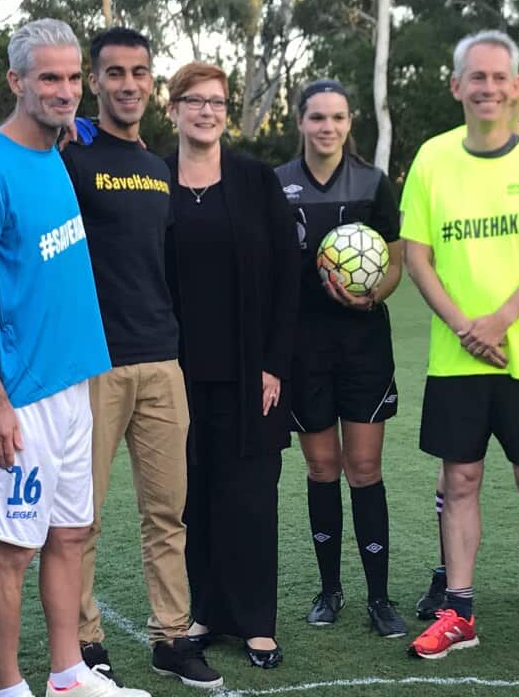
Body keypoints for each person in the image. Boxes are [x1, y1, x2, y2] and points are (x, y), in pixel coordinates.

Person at [0, 18, 147, 697]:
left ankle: (67, 673)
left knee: (71, 533)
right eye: (48, 78)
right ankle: (8, 686)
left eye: (70, 78)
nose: (64, 92)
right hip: (20, 397)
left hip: (73, 382)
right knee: (14, 552)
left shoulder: (57, 151)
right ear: (16, 81)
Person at [400, 30, 519, 671]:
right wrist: (464, 327)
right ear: (456, 86)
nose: (487, 88)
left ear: (518, 85)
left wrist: (501, 320)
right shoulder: (431, 158)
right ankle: (459, 612)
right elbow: (418, 258)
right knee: (460, 480)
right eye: (474, 77)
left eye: (498, 77)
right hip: (459, 357)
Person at [64, 28, 220, 690]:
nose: (128, 84)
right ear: (93, 83)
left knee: (167, 514)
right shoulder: (70, 154)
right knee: (83, 519)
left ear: (151, 85)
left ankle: (171, 637)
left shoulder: (159, 169)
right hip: (91, 363)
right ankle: (86, 642)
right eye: (115, 73)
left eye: (139, 73)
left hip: (162, 362)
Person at [163, 61, 300, 669]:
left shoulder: (254, 181)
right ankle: (205, 615)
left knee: (249, 497)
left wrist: (274, 362)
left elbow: (287, 279)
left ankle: (256, 623)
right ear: (172, 110)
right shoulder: (152, 178)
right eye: (194, 100)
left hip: (250, 374)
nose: (207, 111)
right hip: (175, 372)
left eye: (217, 101)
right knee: (191, 498)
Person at [274, 79, 407, 638]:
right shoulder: (277, 185)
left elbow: (395, 263)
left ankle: (379, 597)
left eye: (338, 118)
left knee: (365, 468)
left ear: (350, 123)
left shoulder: (374, 184)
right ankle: (330, 591)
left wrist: (371, 294)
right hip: (306, 348)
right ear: (300, 122)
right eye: (317, 118)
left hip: (363, 345)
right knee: (322, 467)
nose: (327, 128)